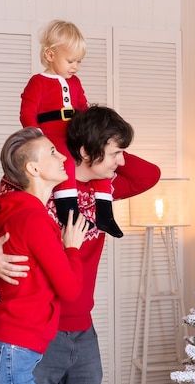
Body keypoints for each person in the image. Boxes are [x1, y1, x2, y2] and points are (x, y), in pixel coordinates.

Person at [0, 106, 161, 384]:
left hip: (84, 329)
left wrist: (96, 133)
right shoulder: (27, 186)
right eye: (115, 153)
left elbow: (149, 175)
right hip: (41, 330)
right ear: (86, 151)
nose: (121, 161)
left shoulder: (105, 190)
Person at [0, 127, 89, 384]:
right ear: (33, 168)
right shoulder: (32, 218)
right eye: (52, 152)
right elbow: (70, 290)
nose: (63, 156)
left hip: (6, 354)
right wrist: (71, 247)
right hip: (10, 356)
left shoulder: (15, 213)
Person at [20, 19, 123, 238]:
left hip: (75, 132)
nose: (75, 67)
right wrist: (39, 140)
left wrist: (95, 133)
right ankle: (70, 212)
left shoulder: (75, 82)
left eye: (79, 62)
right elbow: (27, 113)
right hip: (52, 137)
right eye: (70, 61)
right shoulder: (38, 82)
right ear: (50, 55)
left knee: (99, 159)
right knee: (64, 159)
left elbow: (83, 107)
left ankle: (105, 213)